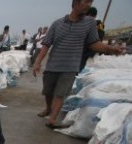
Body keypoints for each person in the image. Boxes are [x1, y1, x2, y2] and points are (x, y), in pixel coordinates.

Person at [33, 0, 124, 129]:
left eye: (90, 2)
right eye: (86, 1)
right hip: (53, 64)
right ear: (75, 4)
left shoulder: (89, 24)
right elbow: (46, 44)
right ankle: (48, 108)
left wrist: (111, 49)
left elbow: (94, 44)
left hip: (71, 66)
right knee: (48, 91)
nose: (88, 5)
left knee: (61, 93)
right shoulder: (57, 24)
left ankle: (52, 119)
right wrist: (37, 62)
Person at [79, 6, 105, 71]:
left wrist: (90, 53)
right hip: (86, 52)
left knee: (80, 67)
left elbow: (97, 40)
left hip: (87, 52)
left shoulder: (96, 25)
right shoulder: (98, 25)